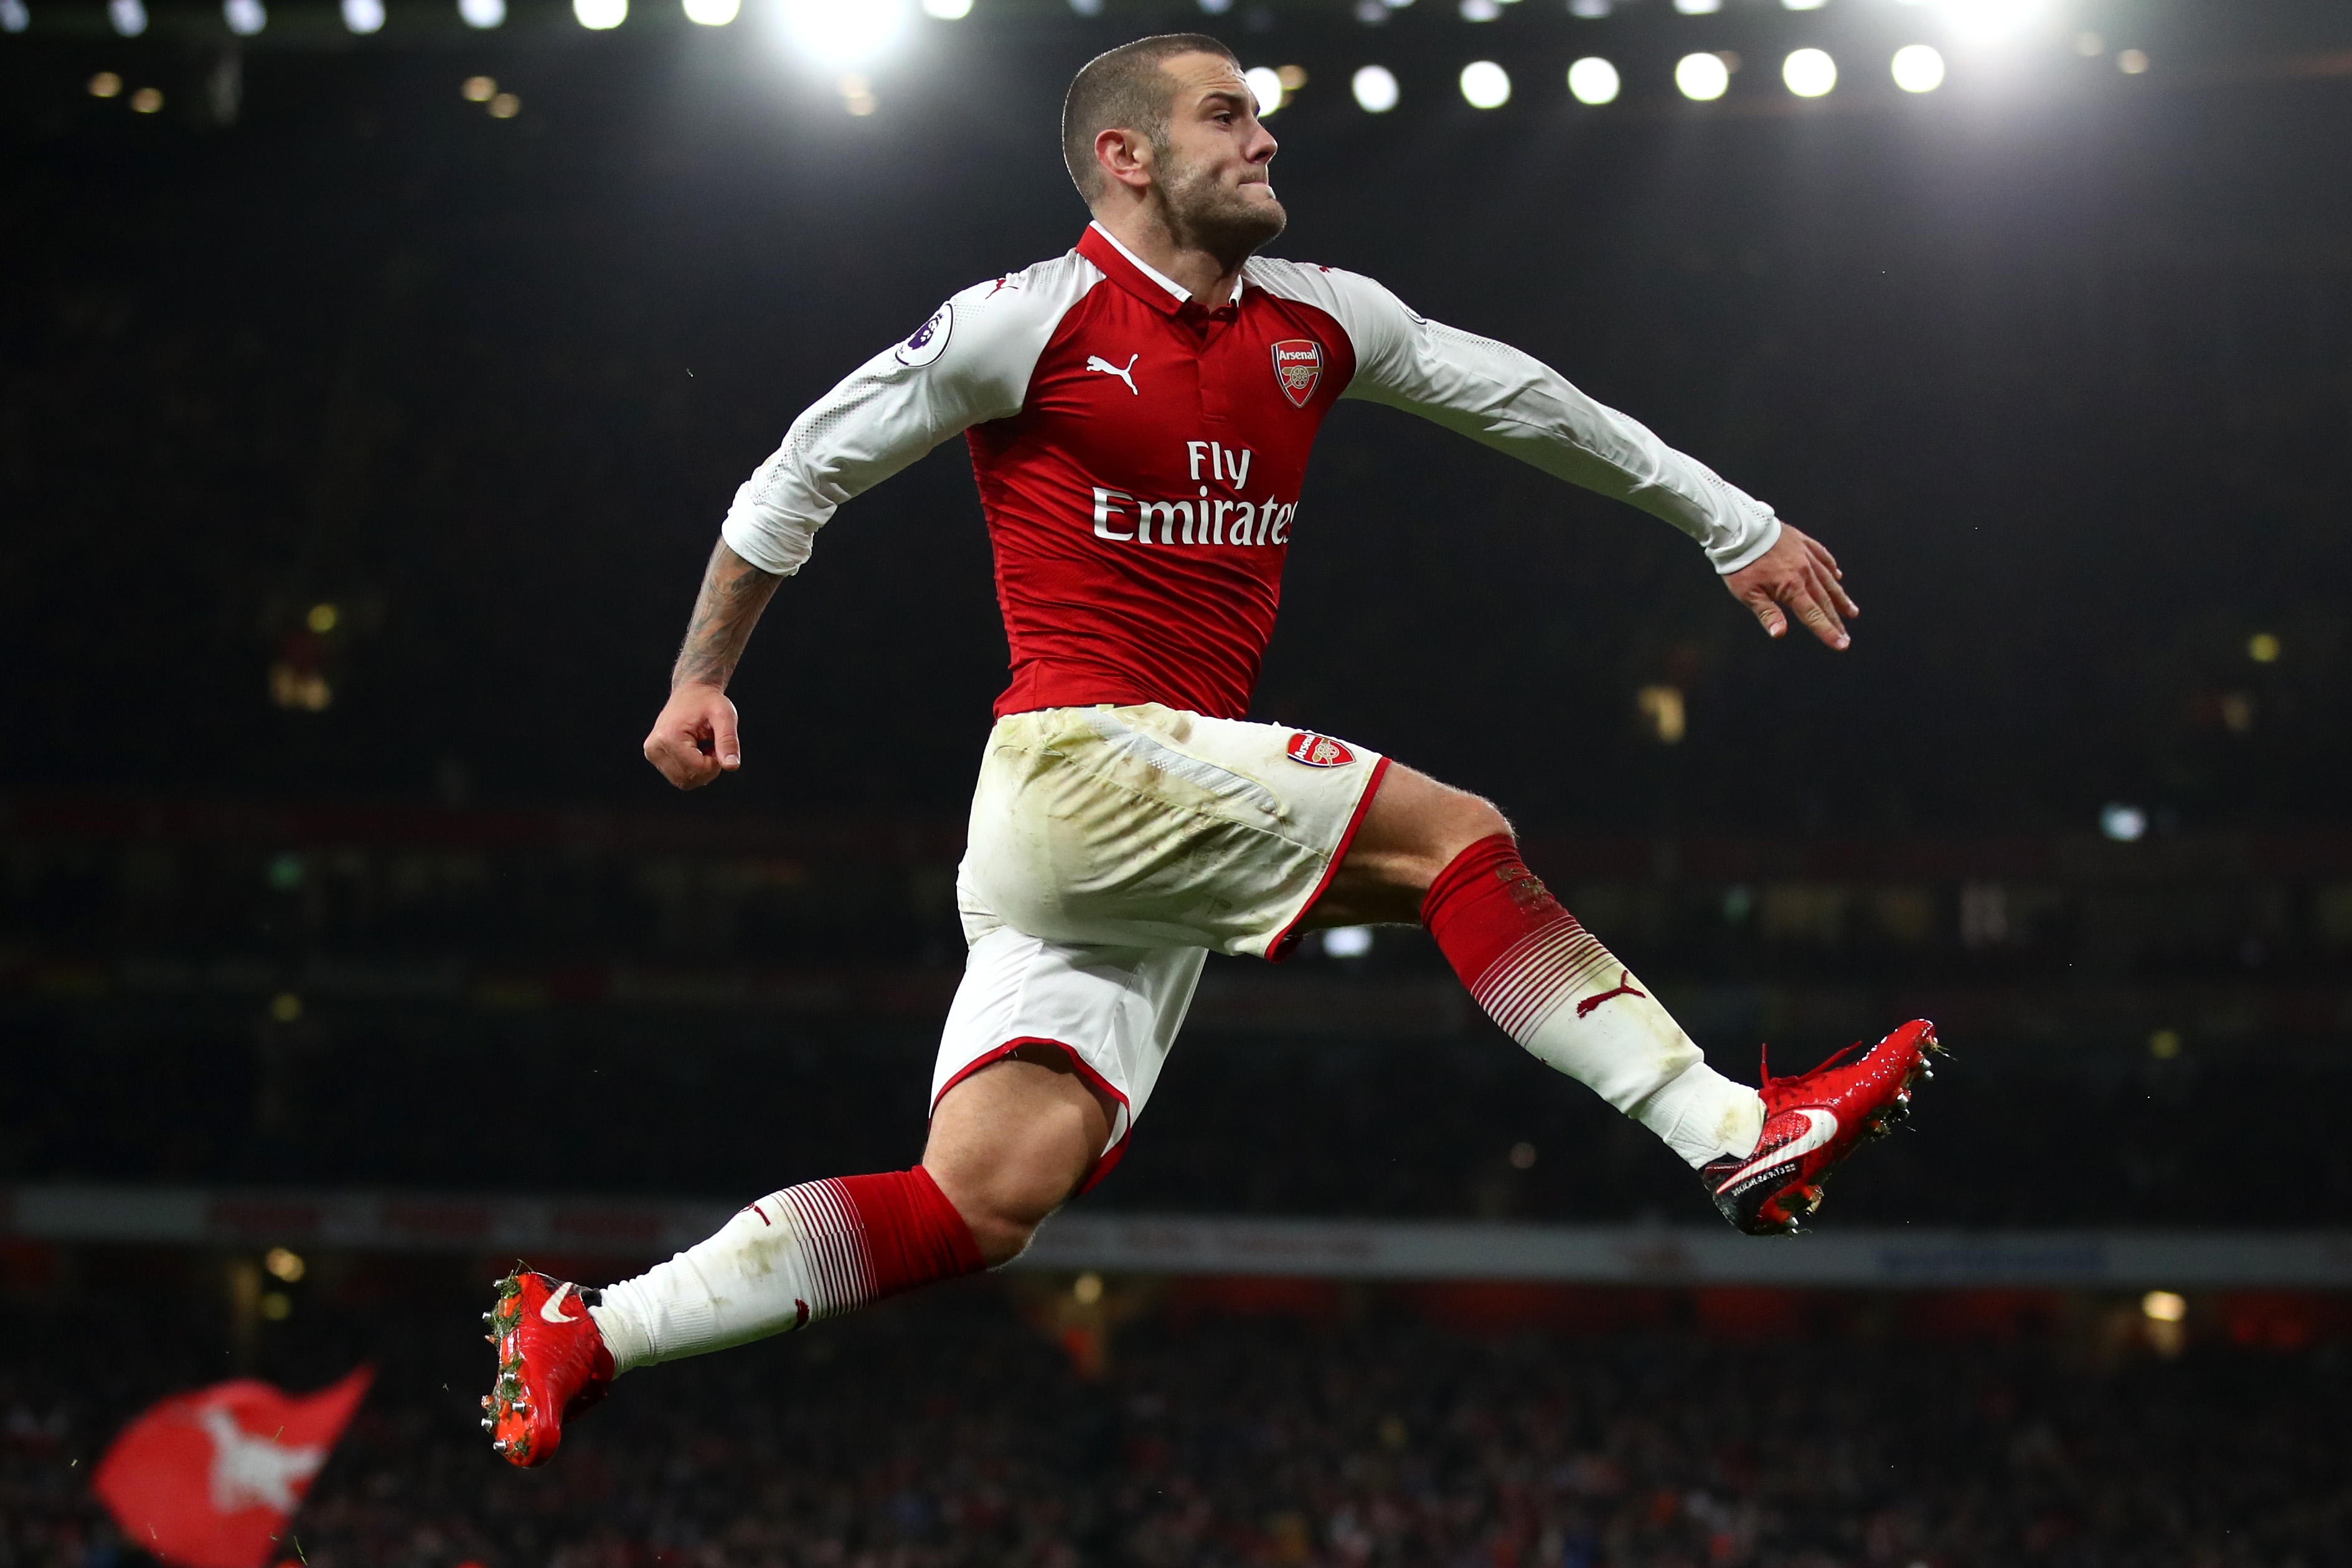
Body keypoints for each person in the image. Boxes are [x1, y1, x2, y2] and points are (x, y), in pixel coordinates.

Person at [481, 34, 1939, 1467]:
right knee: (1456, 836)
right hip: (1082, 758)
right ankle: (1725, 1127)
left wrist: (1727, 519)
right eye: (1225, 115)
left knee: (979, 1203)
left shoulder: (1319, 322)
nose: (1265, 139)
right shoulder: (1020, 321)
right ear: (1125, 157)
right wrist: (698, 679)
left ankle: (593, 1328)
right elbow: (798, 471)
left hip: (1100, 840)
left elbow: (1529, 402)